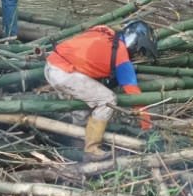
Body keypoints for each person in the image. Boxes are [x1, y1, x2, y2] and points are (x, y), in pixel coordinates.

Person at [43, 21, 157, 159]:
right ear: (135, 43)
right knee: (108, 99)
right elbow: (134, 95)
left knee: (85, 104)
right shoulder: (121, 57)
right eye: (140, 51)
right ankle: (92, 150)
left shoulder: (103, 32)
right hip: (64, 74)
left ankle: (76, 142)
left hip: (52, 65)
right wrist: (146, 125)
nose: (137, 55)